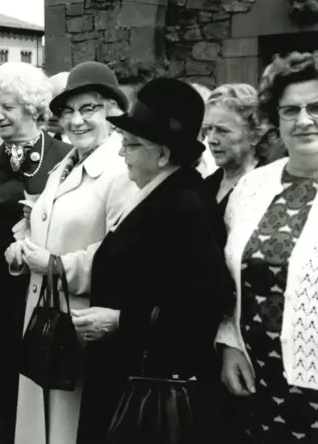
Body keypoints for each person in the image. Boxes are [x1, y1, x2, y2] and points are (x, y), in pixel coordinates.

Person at [67, 78, 233, 444]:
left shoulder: (184, 203)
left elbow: (204, 304)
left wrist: (119, 320)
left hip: (150, 387)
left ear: (162, 154)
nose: (123, 153)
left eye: (131, 145)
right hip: (127, 375)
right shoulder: (160, 192)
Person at [5, 61, 137, 444]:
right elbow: (49, 224)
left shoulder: (120, 169)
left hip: (80, 316)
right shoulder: (65, 164)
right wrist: (22, 246)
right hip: (45, 311)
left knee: (71, 422)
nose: (76, 121)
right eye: (67, 112)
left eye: (88, 109)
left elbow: (121, 251)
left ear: (113, 112)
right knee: (41, 418)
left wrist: (56, 265)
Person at [0, 62, 71, 444]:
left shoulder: (66, 156)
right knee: (2, 392)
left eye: (7, 107)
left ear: (31, 106)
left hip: (49, 294)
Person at [218, 51, 318, 443]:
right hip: (257, 380)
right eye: (291, 110)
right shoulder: (252, 187)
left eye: (316, 107)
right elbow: (226, 277)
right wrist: (228, 343)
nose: (305, 120)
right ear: (276, 119)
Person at [202, 83, 272, 215]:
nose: (211, 139)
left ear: (254, 134)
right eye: (208, 129)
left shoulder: (269, 186)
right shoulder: (206, 186)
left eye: (222, 130)